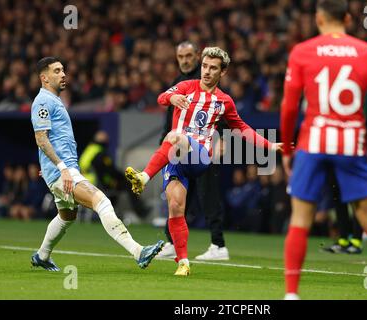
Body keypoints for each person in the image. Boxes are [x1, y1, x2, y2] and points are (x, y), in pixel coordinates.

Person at [280, 0, 367, 300]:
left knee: (300, 220)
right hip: (351, 143)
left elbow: (289, 107)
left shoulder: (302, 51)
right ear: (346, 18)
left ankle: (291, 294)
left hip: (313, 142)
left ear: (318, 18)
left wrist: (288, 148)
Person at [125, 47, 283, 276]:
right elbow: (161, 98)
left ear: (223, 72)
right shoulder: (186, 86)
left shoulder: (224, 101)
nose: (207, 72)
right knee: (175, 208)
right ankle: (183, 262)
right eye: (205, 66)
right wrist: (172, 96)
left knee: (175, 136)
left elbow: (242, 128)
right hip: (175, 158)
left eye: (213, 68)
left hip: (199, 155)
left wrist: (269, 145)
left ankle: (144, 176)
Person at [30, 57, 164, 272]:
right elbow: (41, 138)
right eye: (56, 71)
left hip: (59, 170)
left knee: (67, 216)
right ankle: (139, 251)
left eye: (63, 69)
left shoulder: (54, 101)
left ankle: (42, 255)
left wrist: (49, 166)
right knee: (101, 202)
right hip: (63, 172)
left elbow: (48, 140)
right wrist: (60, 168)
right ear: (44, 78)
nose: (63, 74)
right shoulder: (43, 102)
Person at [157, 41, 230, 261]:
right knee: (178, 197)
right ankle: (171, 241)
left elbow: (221, 113)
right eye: (181, 57)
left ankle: (218, 244)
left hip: (203, 147)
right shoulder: (179, 83)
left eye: (189, 56)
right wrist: (164, 141)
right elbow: (170, 117)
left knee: (208, 195)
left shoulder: (204, 85)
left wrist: (221, 140)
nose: (185, 60)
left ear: (197, 56)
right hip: (178, 147)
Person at [79, 130, 150, 220]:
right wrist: (124, 177)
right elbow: (110, 170)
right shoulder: (100, 153)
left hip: (85, 181)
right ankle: (141, 211)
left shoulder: (90, 149)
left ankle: (110, 215)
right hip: (97, 183)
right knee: (128, 185)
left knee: (117, 188)